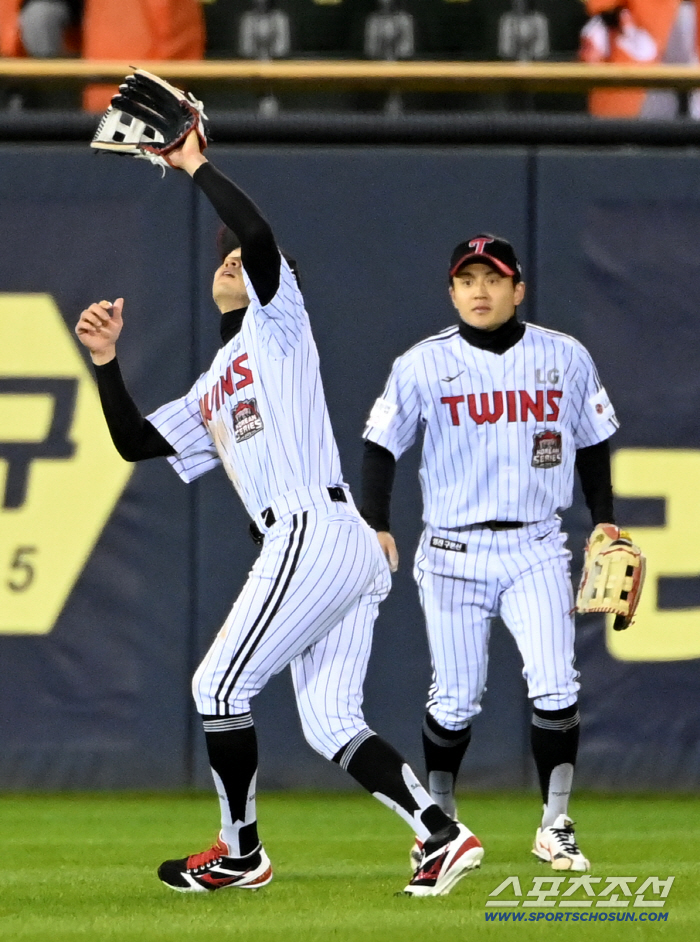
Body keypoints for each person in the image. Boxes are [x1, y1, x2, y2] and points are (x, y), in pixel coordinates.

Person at [74, 131, 484, 897]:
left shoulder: (278, 324)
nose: (230, 262)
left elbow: (258, 238)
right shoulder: (211, 386)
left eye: (244, 263)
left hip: (313, 530)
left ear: (273, 284)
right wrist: (105, 363)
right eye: (219, 259)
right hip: (331, 545)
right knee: (330, 723)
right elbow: (134, 441)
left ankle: (240, 851)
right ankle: (440, 833)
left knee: (217, 688)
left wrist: (194, 162)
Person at [361, 234, 621, 873]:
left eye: (493, 279)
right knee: (455, 698)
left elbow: (591, 445)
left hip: (536, 543)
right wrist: (377, 523)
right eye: (468, 280)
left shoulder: (564, 356)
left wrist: (605, 523)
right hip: (452, 550)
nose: (480, 290)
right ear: (451, 292)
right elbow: (380, 445)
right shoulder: (422, 363)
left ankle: (556, 824)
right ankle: (438, 828)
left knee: (558, 685)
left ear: (518, 289)